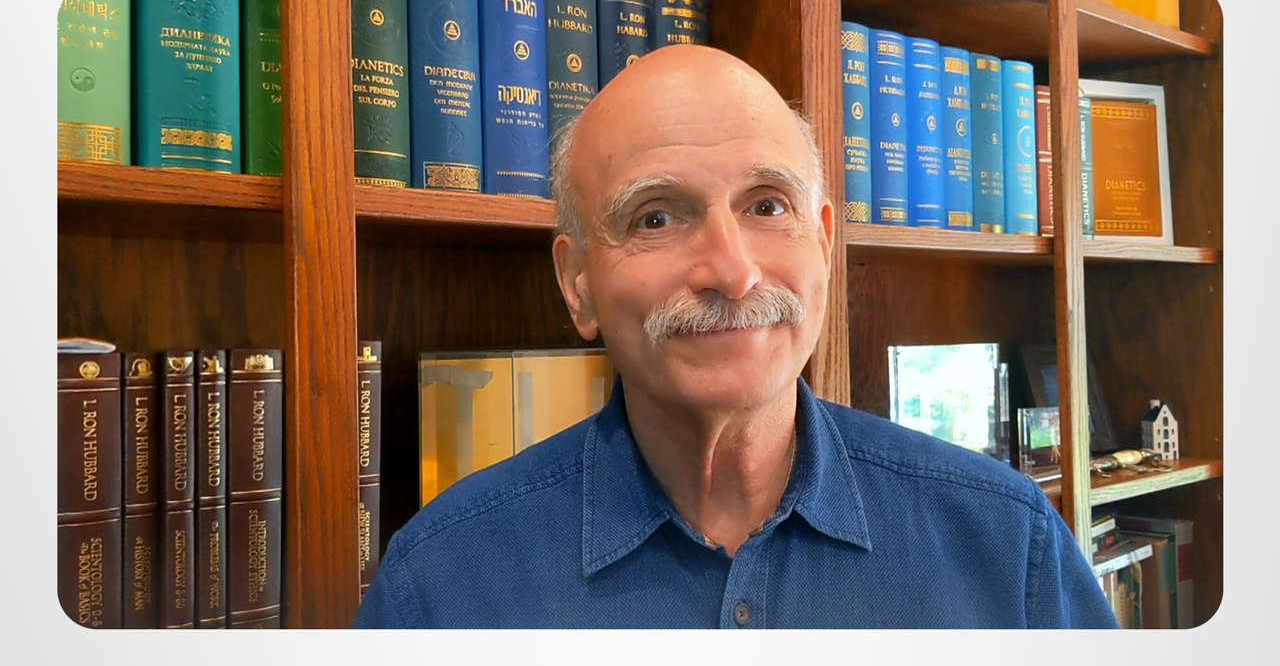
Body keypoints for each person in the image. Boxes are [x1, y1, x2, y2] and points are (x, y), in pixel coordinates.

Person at [353, 45, 1116, 628]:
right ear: (577, 283)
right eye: (656, 217)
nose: (733, 272)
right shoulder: (439, 588)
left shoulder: (1008, 547)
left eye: (767, 205)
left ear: (824, 244)